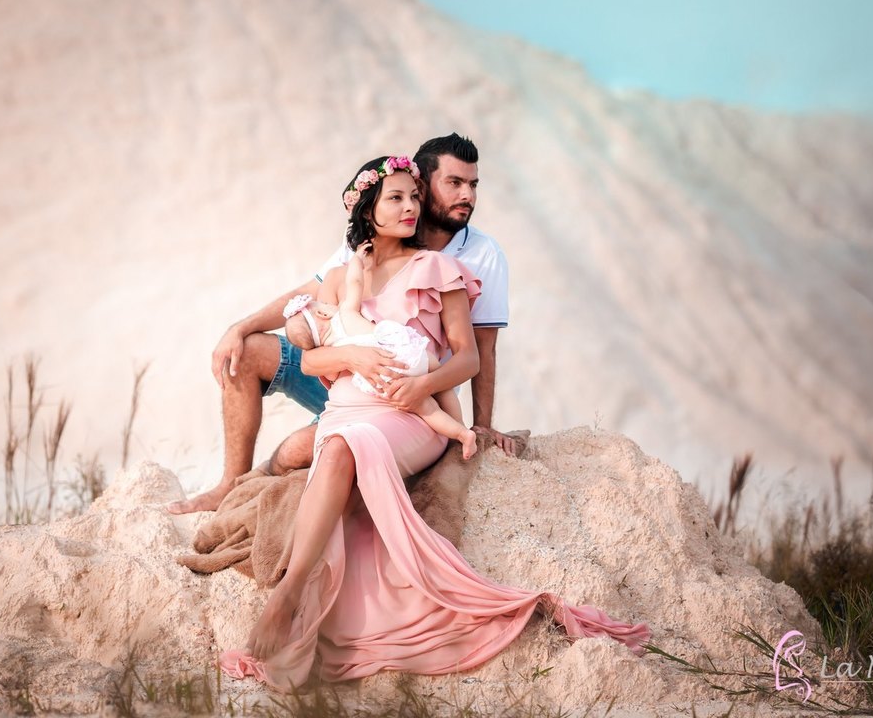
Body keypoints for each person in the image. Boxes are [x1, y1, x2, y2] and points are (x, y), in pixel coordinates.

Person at [222, 154, 651, 690]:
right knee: (336, 446)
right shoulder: (338, 278)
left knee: (347, 447)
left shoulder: (439, 269)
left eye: (413, 197)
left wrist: (421, 387)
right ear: (367, 211)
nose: (409, 208)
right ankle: (294, 594)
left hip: (409, 415)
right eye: (395, 198)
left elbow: (467, 358)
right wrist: (353, 359)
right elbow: (310, 360)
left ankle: (288, 598)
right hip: (347, 408)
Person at [168, 134, 514, 515]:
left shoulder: (480, 255)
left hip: (401, 389)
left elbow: (482, 349)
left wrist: (481, 425)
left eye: (473, 185)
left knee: (295, 450)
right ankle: (228, 486)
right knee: (246, 349)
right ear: (422, 184)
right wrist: (240, 327)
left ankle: (273, 477)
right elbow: (311, 291)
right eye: (454, 183)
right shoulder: (373, 240)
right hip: (340, 372)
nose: (467, 195)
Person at [283, 235, 479, 459]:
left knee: (427, 409)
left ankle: (461, 435)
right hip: (403, 354)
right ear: (322, 312)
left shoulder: (330, 345)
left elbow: (319, 366)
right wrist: (356, 260)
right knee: (441, 384)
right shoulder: (346, 313)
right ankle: (460, 426)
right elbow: (354, 283)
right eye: (323, 304)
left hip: (385, 382)